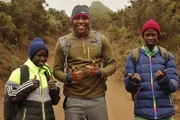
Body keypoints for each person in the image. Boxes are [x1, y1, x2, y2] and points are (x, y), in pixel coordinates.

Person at [53, 4, 116, 120]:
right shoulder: (62, 43)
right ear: (72, 21)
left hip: (97, 99)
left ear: (89, 20)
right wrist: (68, 77)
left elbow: (112, 64)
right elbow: (56, 70)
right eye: (77, 18)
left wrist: (99, 72)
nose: (81, 21)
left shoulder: (101, 40)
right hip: (73, 100)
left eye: (84, 18)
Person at [124, 19, 179, 120]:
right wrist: (132, 82)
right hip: (142, 114)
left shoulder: (167, 56)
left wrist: (164, 80)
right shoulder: (133, 56)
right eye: (147, 35)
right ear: (143, 36)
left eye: (153, 34)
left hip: (166, 114)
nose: (150, 37)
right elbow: (128, 87)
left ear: (157, 36)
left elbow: (174, 85)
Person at [4, 38, 60, 120]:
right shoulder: (20, 72)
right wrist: (28, 86)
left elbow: (55, 101)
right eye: (39, 55)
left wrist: (55, 89)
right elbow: (9, 96)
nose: (43, 59)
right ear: (32, 55)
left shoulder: (47, 72)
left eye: (45, 56)